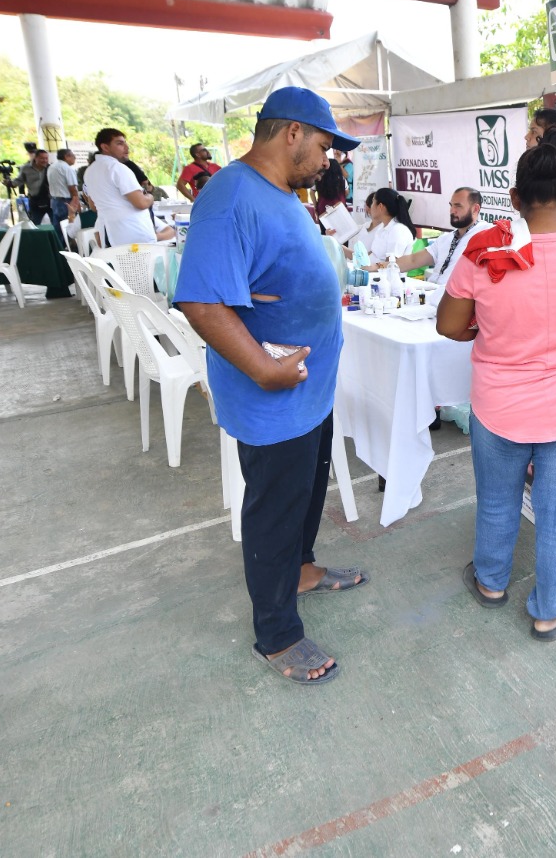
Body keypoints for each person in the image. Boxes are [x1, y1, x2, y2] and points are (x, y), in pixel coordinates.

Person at [173, 86, 367, 686]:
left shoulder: (279, 193)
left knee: (307, 493)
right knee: (275, 509)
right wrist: (263, 368)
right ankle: (277, 634)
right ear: (292, 135)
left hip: (306, 390)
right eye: (326, 145)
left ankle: (303, 570)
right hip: (273, 395)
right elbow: (201, 301)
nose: (329, 159)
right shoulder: (230, 197)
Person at [437, 130, 556, 640]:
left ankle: (491, 583)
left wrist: (493, 327)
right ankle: (550, 609)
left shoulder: (485, 249)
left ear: (515, 199)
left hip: (500, 404)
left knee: (497, 497)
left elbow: (449, 326)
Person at [84, 128, 174, 246]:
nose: (126, 148)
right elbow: (141, 203)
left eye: (125, 143)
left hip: (107, 233)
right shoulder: (117, 168)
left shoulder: (90, 171)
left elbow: (94, 206)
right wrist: (150, 197)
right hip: (132, 234)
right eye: (120, 143)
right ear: (105, 147)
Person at [393, 187, 490, 286]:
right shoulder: (445, 239)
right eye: (451, 205)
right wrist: (381, 266)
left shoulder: (486, 233)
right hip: (432, 293)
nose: (452, 210)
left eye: (458, 206)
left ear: (475, 209)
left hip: (456, 298)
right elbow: (413, 260)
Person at [355, 187, 419, 263]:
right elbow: (372, 255)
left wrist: (369, 268)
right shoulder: (382, 227)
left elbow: (391, 264)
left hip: (381, 274)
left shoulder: (398, 230)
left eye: (373, 202)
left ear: (380, 206)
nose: (370, 207)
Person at [15, 147, 52, 225]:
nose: (45, 160)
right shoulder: (25, 168)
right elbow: (19, 180)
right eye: (42, 158)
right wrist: (10, 183)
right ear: (36, 158)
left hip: (50, 200)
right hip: (35, 201)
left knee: (56, 224)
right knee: (34, 224)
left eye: (46, 158)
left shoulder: (50, 168)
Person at [47, 148, 81, 230]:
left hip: (55, 201)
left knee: (58, 228)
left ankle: (60, 243)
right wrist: (77, 203)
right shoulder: (67, 168)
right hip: (66, 202)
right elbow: (72, 188)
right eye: (73, 156)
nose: (75, 158)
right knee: (69, 228)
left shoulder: (51, 167)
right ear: (66, 156)